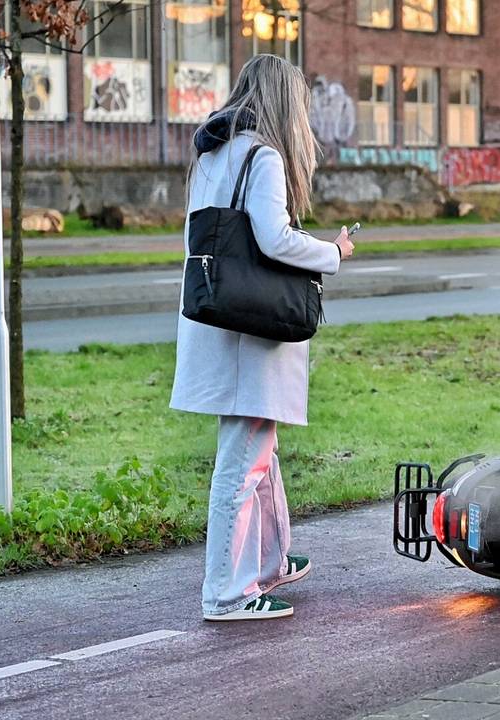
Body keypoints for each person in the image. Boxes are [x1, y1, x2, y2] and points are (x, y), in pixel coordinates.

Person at [170, 55, 355, 622]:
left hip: (219, 316)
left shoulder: (211, 153)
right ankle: (228, 593)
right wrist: (333, 252)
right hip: (253, 328)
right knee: (244, 460)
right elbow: (274, 240)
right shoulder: (265, 156)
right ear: (283, 102)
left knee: (259, 453)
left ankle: (270, 562)